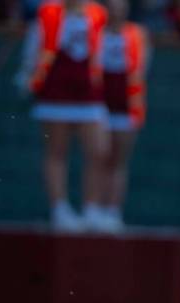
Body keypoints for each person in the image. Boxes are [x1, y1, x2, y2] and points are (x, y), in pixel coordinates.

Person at [18, 0, 109, 232]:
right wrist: (28, 75)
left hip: (88, 92)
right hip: (55, 89)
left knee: (98, 150)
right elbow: (35, 45)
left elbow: (103, 49)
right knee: (57, 151)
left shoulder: (97, 13)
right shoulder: (48, 12)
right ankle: (59, 209)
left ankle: (92, 208)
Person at [99, 0, 147, 232]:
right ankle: (95, 208)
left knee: (118, 160)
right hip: (98, 103)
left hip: (126, 105)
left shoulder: (136, 34)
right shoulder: (96, 32)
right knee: (99, 156)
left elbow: (141, 67)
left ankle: (113, 210)